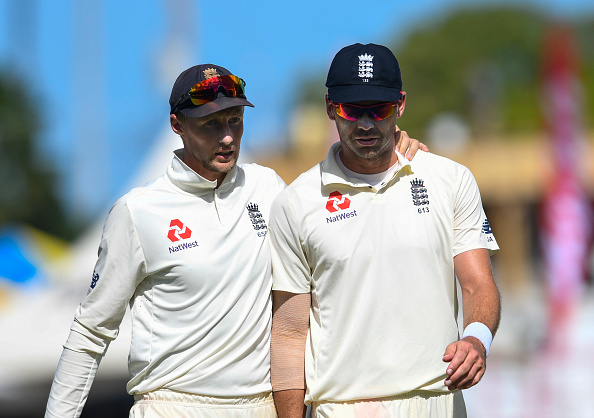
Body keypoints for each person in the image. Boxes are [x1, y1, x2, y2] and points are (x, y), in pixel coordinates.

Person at [45, 63, 426, 418]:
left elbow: (338, 215)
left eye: (235, 120)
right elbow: (90, 332)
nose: (227, 136)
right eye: (211, 124)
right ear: (177, 125)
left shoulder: (267, 187)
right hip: (172, 406)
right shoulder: (138, 212)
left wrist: (390, 153)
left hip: (260, 407)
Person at [268, 43, 501, 418]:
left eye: (379, 110)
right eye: (350, 110)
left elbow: (477, 283)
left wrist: (478, 338)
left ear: (401, 105)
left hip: (436, 402)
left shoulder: (450, 179)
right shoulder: (296, 203)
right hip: (343, 406)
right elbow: (290, 333)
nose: (365, 124)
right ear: (330, 108)